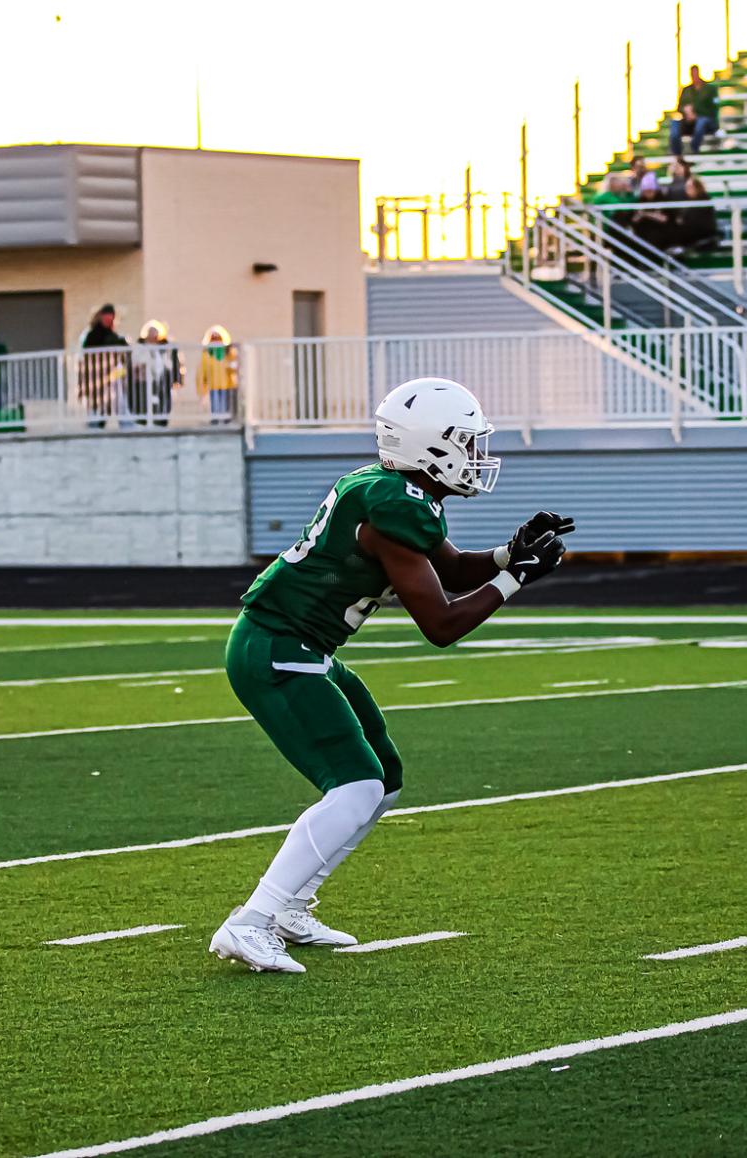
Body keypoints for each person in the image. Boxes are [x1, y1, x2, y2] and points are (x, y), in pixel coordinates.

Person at [208, 377, 571, 972]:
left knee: (385, 779)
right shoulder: (392, 507)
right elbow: (442, 623)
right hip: (277, 649)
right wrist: (515, 581)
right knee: (355, 786)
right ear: (431, 447)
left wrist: (511, 553)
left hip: (301, 647)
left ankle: (290, 907)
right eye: (465, 442)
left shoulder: (390, 491)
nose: (475, 456)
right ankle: (250, 921)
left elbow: (448, 569)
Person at [80, 303, 130, 430]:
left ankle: (123, 423)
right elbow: (87, 353)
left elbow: (123, 354)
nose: (109, 319)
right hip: (97, 375)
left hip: (112, 374)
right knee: (97, 402)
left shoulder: (113, 335)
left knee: (116, 400)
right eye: (106, 316)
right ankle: (95, 424)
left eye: (111, 317)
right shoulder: (93, 334)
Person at [135, 320, 181, 427]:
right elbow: (138, 360)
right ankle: (146, 420)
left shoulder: (164, 347)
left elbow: (169, 362)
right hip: (145, 379)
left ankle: (161, 420)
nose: (153, 339)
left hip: (162, 378)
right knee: (147, 400)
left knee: (162, 399)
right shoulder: (141, 347)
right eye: (150, 336)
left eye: (155, 336)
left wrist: (176, 378)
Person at [670, 65, 721, 158]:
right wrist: (687, 112)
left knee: (701, 123)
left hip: (706, 121)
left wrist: (696, 114)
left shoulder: (710, 89)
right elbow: (679, 107)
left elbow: (714, 108)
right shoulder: (686, 90)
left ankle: (693, 150)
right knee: (674, 124)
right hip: (689, 121)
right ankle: (677, 154)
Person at [198, 326, 239, 424]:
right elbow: (203, 368)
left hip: (226, 384)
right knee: (215, 403)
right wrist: (203, 382)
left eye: (218, 338)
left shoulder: (228, 351)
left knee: (225, 403)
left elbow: (233, 365)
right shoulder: (207, 353)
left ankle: (226, 420)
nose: (216, 340)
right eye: (213, 338)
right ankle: (215, 420)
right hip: (213, 384)